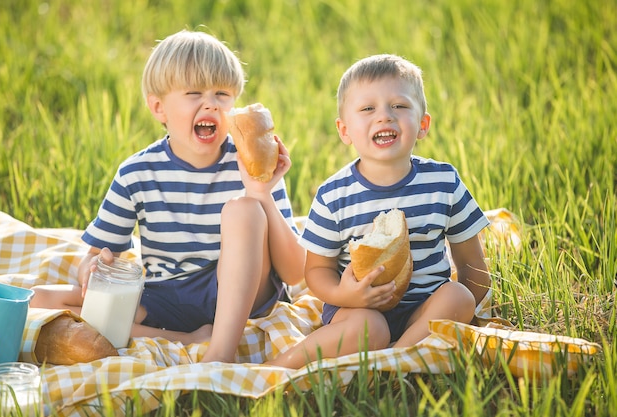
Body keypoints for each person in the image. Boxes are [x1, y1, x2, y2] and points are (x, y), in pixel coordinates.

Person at [30, 29, 305, 363]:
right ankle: (184, 338)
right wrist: (91, 269)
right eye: (193, 92)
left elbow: (294, 273)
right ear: (159, 107)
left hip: (241, 294)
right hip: (165, 296)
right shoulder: (136, 173)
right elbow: (97, 256)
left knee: (243, 211)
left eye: (222, 93)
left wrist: (260, 191)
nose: (210, 103)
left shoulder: (252, 160)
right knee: (38, 298)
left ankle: (220, 351)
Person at [265, 54, 490, 369]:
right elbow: (316, 271)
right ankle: (284, 364)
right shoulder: (334, 195)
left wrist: (470, 314)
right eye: (368, 108)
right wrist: (348, 297)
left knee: (460, 297)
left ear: (423, 124)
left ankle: (395, 357)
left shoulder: (443, 182)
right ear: (345, 131)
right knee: (370, 329)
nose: (384, 116)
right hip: (358, 312)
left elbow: (473, 267)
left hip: (424, 310)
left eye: (399, 106)